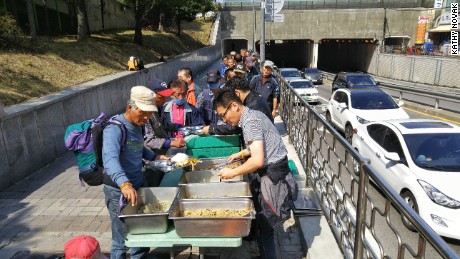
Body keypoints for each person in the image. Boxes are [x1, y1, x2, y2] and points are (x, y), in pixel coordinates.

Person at [213, 90, 297, 259]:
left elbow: (258, 161)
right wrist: (243, 153)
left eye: (224, 115)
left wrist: (232, 172)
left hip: (273, 177)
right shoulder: (254, 115)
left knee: (266, 228)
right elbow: (262, 143)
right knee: (264, 227)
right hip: (276, 173)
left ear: (234, 106)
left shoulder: (250, 121)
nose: (224, 120)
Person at [102, 86, 168, 258]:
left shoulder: (137, 124)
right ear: (130, 107)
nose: (146, 118)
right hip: (119, 191)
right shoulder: (114, 129)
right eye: (143, 112)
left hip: (138, 185)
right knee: (121, 239)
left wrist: (154, 157)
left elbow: (138, 148)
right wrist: (124, 183)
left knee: (142, 233)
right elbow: (110, 159)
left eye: (149, 113)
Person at [144, 79, 186, 152]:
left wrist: (180, 127)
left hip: (162, 152)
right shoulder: (145, 113)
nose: (164, 100)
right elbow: (149, 140)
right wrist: (170, 143)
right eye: (161, 97)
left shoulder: (159, 108)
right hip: (151, 155)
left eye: (165, 97)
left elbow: (164, 125)